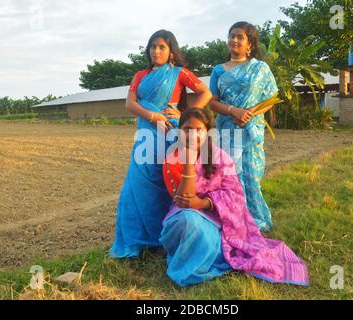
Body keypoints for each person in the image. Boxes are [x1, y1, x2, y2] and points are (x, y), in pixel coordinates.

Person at [160, 108, 309, 288]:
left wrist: (204, 203)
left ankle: (206, 254)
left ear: (208, 132)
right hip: (183, 211)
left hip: (217, 217)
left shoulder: (221, 157)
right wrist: (190, 163)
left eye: (198, 130)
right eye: (187, 129)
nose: (192, 135)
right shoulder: (173, 157)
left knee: (194, 225)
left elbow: (234, 195)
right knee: (186, 220)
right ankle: (195, 252)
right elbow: (184, 198)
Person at [109, 30, 212, 258]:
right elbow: (130, 103)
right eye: (153, 46)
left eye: (162, 47)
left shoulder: (178, 73)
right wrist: (152, 116)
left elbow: (205, 92)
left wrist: (184, 112)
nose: (156, 51)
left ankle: (164, 238)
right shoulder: (140, 75)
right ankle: (139, 240)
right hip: (147, 131)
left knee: (166, 182)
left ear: (171, 51)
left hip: (170, 134)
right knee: (136, 186)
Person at [209, 21, 278, 232]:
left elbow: (271, 97)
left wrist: (249, 114)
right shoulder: (219, 70)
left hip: (251, 130)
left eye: (240, 37)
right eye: (231, 36)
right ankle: (234, 218)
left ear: (249, 44)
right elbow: (212, 102)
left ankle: (255, 219)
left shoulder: (260, 68)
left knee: (251, 176)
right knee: (231, 176)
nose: (234, 40)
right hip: (228, 131)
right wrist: (233, 111)